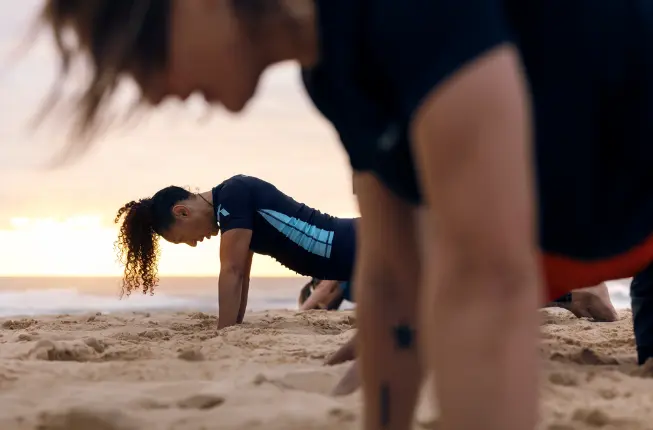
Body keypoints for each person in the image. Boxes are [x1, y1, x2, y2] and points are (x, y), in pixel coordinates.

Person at [36, 2, 653, 429]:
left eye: (139, 57)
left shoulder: (407, 14)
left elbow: (486, 282)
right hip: (586, 229)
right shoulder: (330, 72)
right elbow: (391, 277)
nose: (150, 92)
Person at [114, 174, 356, 329]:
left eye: (181, 238)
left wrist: (223, 332)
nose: (192, 243)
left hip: (353, 243)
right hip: (351, 254)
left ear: (182, 212)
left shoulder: (233, 194)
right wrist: (234, 327)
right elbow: (243, 277)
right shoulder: (231, 211)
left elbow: (232, 271)